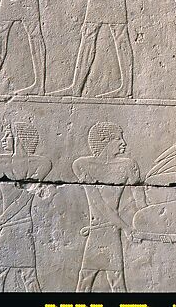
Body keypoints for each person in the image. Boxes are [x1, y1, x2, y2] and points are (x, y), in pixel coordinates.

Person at [0, 120, 53, 291]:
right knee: (7, 277)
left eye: (8, 135)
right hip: (9, 228)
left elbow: (24, 200)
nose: (3, 139)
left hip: (20, 228)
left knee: (20, 277)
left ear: (19, 138)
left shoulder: (41, 164)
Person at [72, 123, 142, 292]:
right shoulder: (83, 165)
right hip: (100, 232)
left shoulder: (128, 166)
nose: (123, 142)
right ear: (104, 141)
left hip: (111, 234)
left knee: (115, 282)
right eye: (118, 138)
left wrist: (147, 222)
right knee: (86, 282)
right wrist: (126, 228)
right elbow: (99, 204)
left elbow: (140, 203)